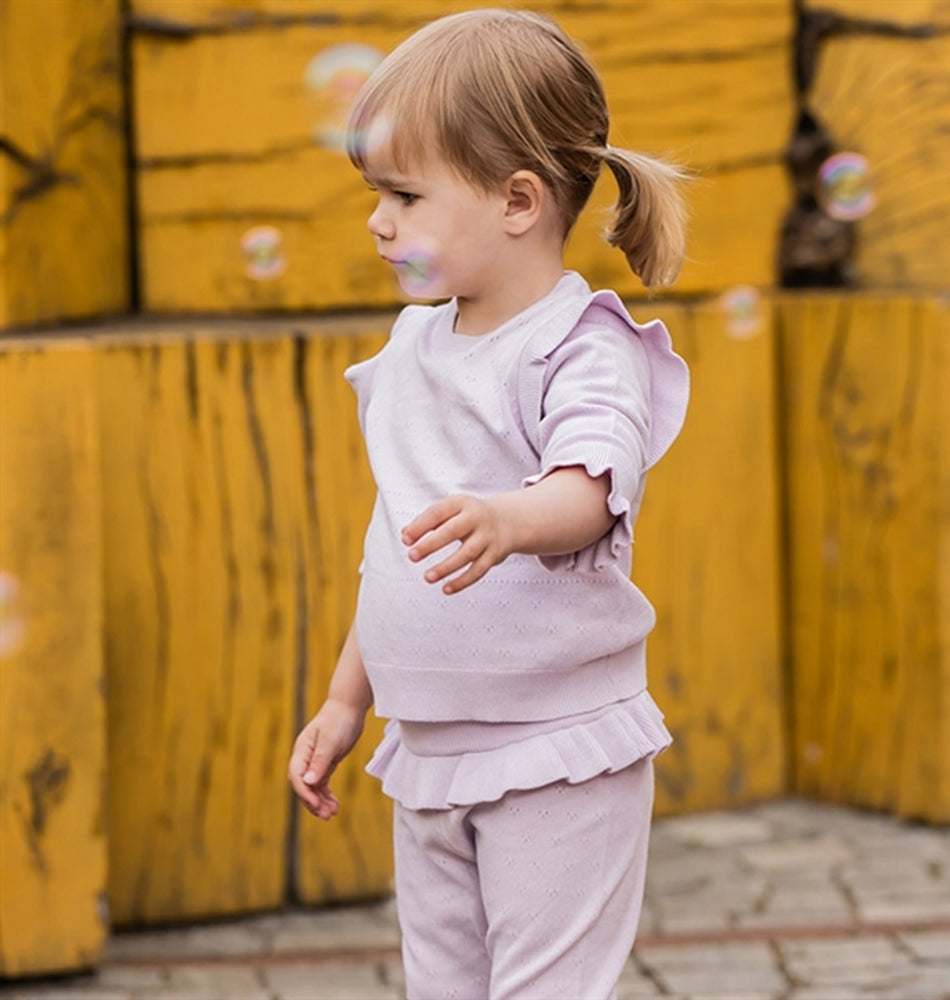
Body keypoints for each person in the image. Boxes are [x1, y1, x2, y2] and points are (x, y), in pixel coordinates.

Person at [288, 9, 690, 998]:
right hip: (428, 747)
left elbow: (591, 490)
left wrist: (509, 520)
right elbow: (398, 547)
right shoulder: (411, 350)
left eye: (405, 195)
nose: (378, 221)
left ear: (517, 200)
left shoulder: (579, 347)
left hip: (554, 749)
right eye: (376, 195)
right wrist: (346, 698)